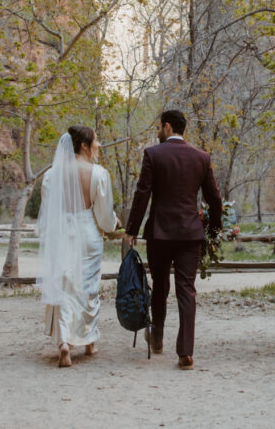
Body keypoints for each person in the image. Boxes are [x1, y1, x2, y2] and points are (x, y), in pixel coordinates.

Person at [124, 110, 223, 370]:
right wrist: (213, 231)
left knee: (160, 286)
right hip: (190, 234)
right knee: (186, 289)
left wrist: (131, 228)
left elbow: (142, 193)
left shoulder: (153, 155)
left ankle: (157, 339)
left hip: (160, 233)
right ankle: (185, 352)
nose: (157, 131)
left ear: (167, 127)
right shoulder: (202, 157)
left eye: (159, 126)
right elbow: (215, 199)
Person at [37, 125, 118, 368]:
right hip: (87, 234)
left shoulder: (52, 175)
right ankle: (89, 341)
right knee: (87, 288)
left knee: (64, 285)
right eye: (96, 140)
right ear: (84, 145)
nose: (99, 144)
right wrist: (113, 225)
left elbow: (48, 209)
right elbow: (103, 215)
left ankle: (64, 343)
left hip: (62, 233)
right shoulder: (99, 174)